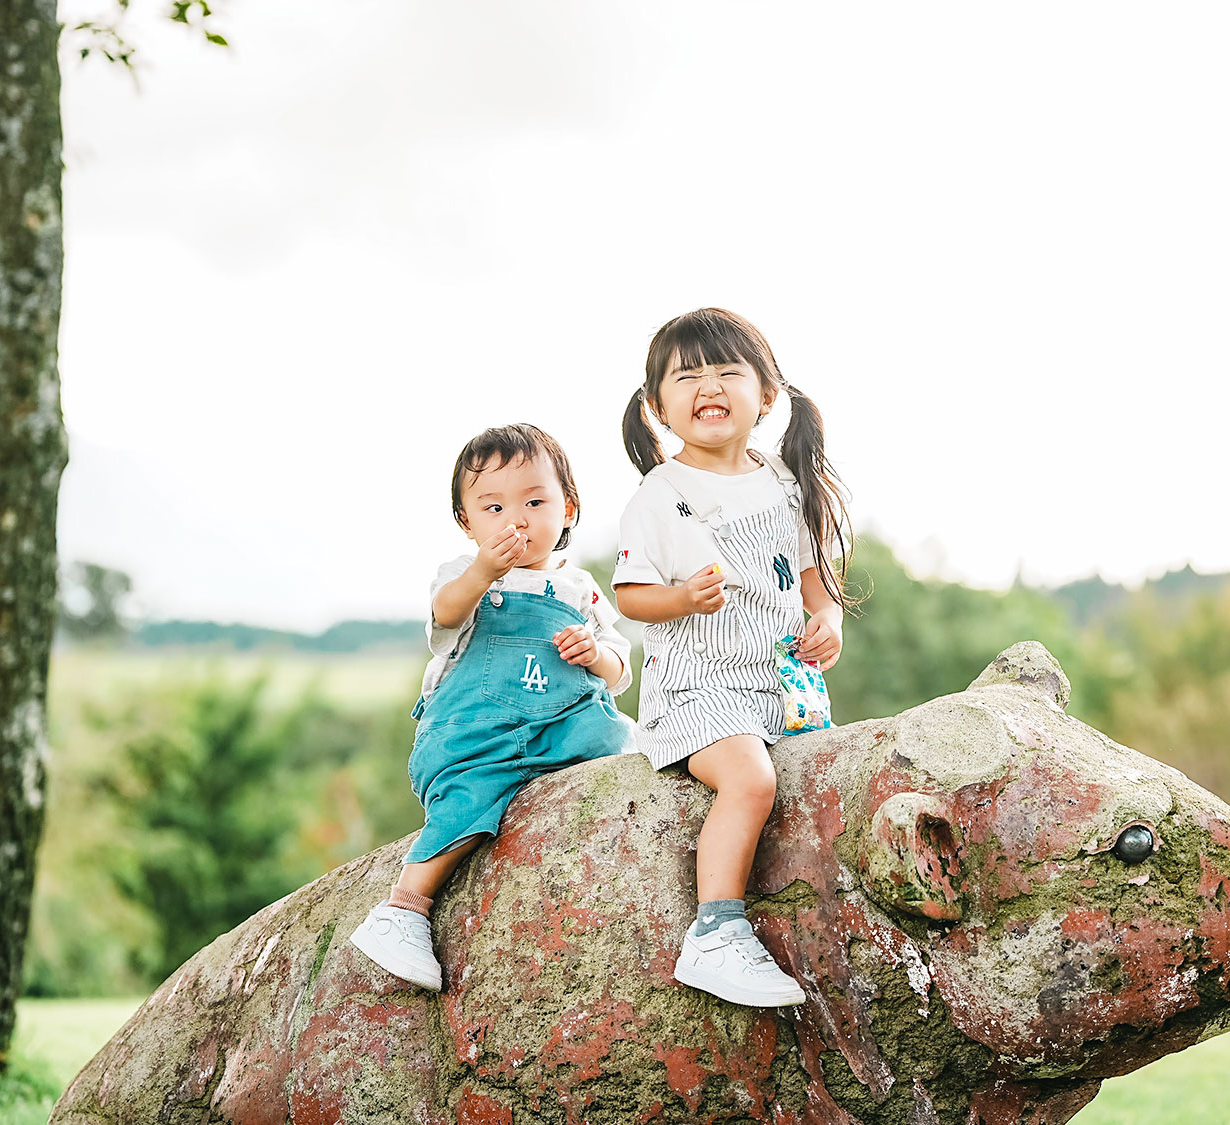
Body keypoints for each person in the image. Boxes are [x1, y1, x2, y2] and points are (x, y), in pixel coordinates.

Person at [614, 308, 856, 1007]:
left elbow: (820, 590)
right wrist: (683, 596)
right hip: (698, 690)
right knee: (751, 781)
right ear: (658, 407)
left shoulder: (785, 481)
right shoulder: (662, 494)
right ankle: (714, 934)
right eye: (687, 374)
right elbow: (630, 595)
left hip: (781, 685)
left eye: (727, 370)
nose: (708, 384)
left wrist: (828, 626)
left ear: (768, 394)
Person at [350, 424, 632, 989]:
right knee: (468, 803)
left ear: (568, 509)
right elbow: (447, 615)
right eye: (494, 506)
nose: (517, 519)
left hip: (560, 725)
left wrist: (595, 653)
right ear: (467, 522)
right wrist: (484, 571)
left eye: (534, 501)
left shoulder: (582, 588)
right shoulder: (464, 574)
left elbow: (622, 670)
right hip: (478, 730)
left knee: (622, 739)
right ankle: (403, 909)